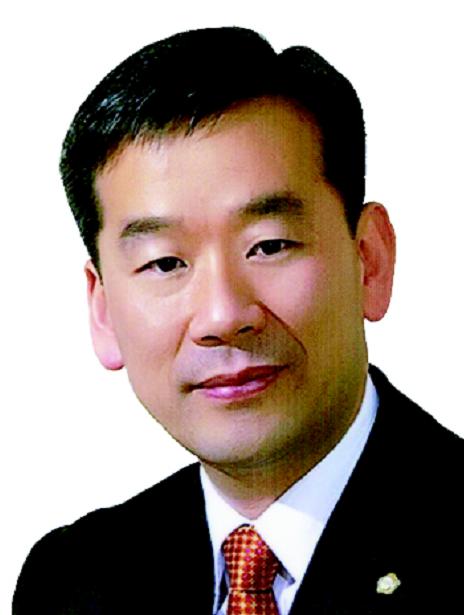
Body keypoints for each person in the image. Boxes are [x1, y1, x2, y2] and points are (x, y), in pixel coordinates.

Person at [13, 26, 464, 614]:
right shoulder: (74, 582)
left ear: (369, 261)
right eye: (165, 263)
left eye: (269, 246)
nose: (224, 316)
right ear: (102, 309)